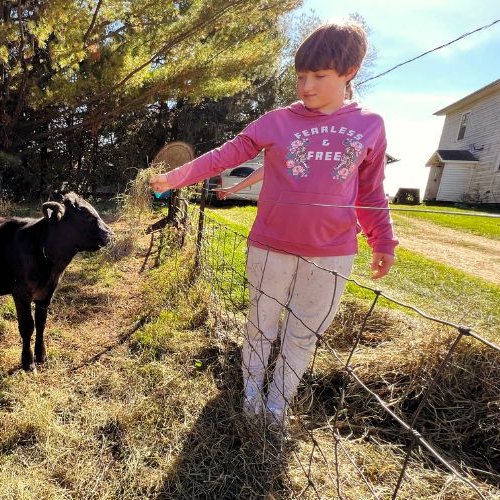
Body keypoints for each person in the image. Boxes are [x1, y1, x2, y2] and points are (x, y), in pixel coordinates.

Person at [149, 21, 397, 428]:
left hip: (331, 255)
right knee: (260, 325)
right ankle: (250, 397)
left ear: (349, 73)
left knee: (302, 335)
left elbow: (370, 191)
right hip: (269, 247)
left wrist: (382, 241)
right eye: (301, 76)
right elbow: (223, 156)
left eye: (319, 76)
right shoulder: (277, 120)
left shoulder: (370, 125)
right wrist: (174, 177)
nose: (306, 86)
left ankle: (276, 406)